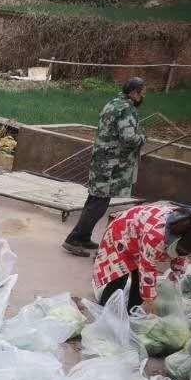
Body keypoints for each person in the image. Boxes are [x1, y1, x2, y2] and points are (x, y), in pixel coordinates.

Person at [62, 77, 147, 257]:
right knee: (99, 204)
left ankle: (83, 236)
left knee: (94, 201)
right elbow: (129, 138)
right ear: (134, 92)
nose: (143, 96)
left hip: (102, 161)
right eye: (142, 92)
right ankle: (74, 239)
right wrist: (143, 139)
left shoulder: (113, 104)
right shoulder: (126, 109)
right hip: (111, 166)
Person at [93, 202, 191, 311]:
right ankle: (102, 310)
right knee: (119, 278)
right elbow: (147, 270)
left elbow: (182, 256)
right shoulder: (156, 237)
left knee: (139, 282)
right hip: (122, 233)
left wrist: (175, 276)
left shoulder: (185, 232)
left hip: (140, 236)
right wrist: (151, 303)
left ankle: (132, 313)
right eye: (182, 251)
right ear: (177, 240)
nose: (182, 254)